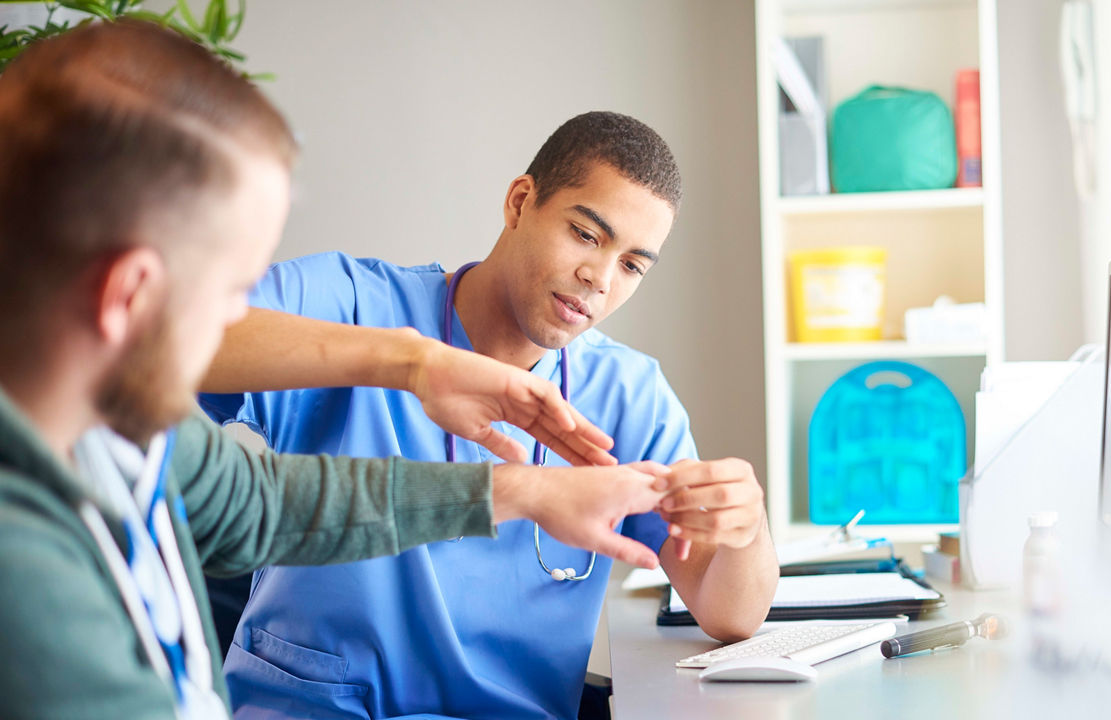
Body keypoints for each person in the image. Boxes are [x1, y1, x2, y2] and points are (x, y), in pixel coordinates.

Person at [0, 23, 677, 720]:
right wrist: (412, 362)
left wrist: (523, 491)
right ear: (130, 296)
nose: (243, 313)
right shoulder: (27, 574)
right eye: (233, 286)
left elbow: (260, 503)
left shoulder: (127, 434)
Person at [200, 111, 781, 719]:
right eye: (586, 235)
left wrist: (746, 526)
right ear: (520, 201)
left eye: (633, 264)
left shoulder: (628, 393)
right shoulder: (352, 301)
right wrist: (409, 362)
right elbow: (167, 341)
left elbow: (730, 614)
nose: (600, 279)